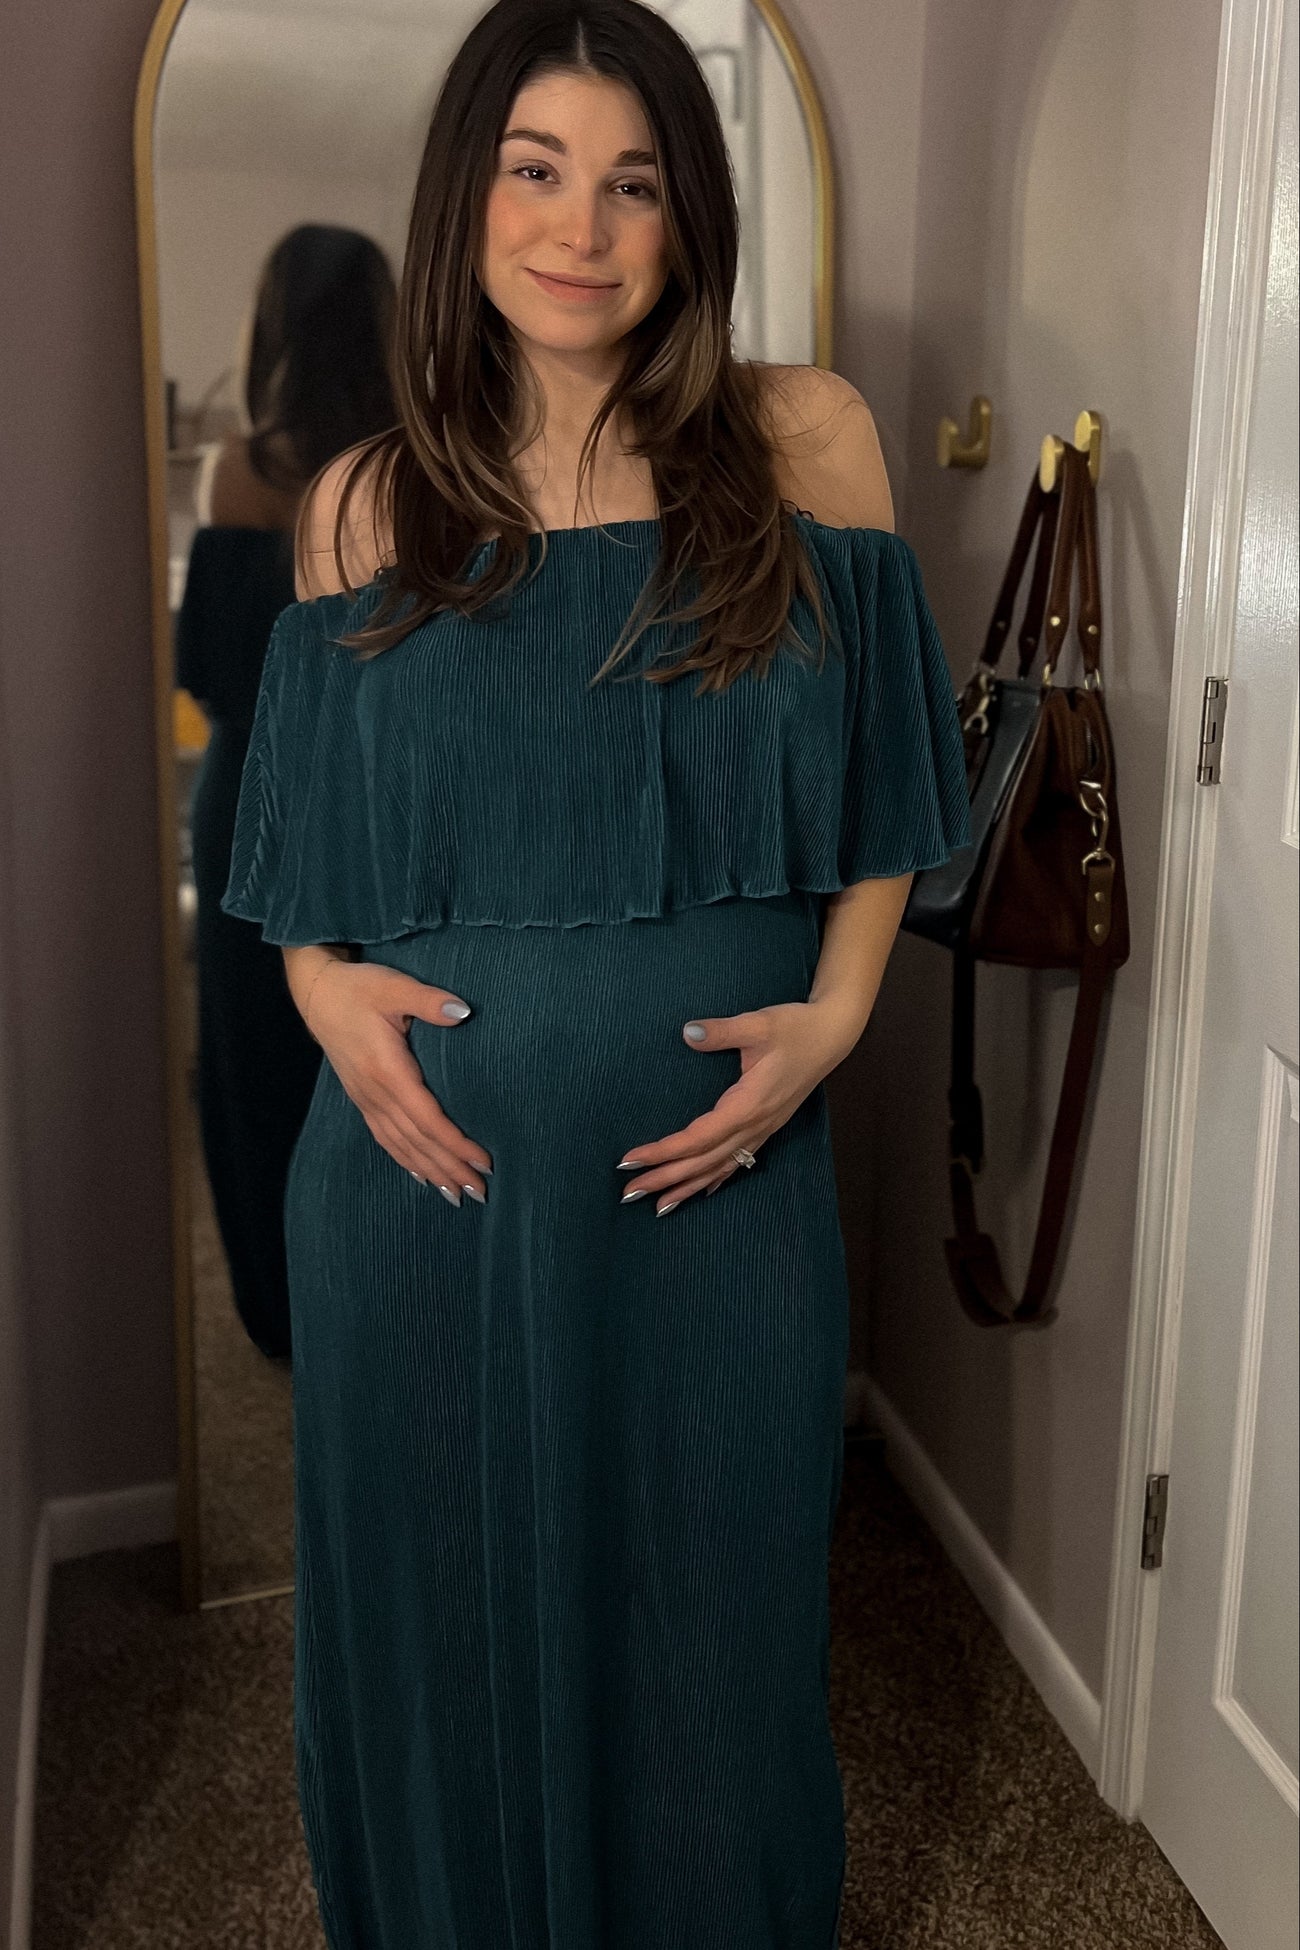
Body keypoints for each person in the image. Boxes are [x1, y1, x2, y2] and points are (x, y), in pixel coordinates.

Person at [222, 2, 971, 1942]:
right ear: (462, 198)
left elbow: (890, 790)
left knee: (715, 1623)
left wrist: (839, 1015)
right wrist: (318, 991)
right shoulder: (362, 501)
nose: (582, 227)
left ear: (687, 217)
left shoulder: (806, 440)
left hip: (717, 1189)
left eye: (634, 183)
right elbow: (299, 865)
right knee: (438, 1628)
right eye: (536, 170)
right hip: (417, 1205)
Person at [176, 224, 397, 1358]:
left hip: (252, 798)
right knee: (389, 1051)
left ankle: (286, 1317)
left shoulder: (242, 471)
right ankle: (387, 1302)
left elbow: (205, 668)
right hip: (386, 792)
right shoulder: (422, 467)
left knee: (255, 1062)